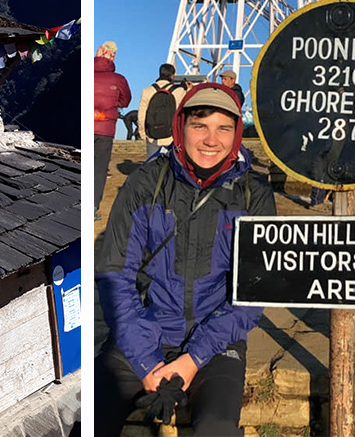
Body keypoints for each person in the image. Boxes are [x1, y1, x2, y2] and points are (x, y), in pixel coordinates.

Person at [95, 84, 276, 436]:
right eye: (200, 126)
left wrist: (192, 359)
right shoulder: (146, 183)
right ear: (181, 128)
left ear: (237, 133)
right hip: (144, 332)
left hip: (216, 344)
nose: (211, 139)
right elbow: (115, 275)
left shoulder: (253, 194)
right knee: (93, 416)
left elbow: (251, 295)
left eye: (224, 128)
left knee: (217, 430)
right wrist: (148, 362)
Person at [94, 41, 131, 219]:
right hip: (105, 129)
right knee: (99, 169)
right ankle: (93, 207)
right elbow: (126, 101)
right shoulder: (119, 79)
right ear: (113, 57)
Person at [138, 63, 187, 158]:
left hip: (152, 136)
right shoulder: (179, 91)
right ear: (172, 75)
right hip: (171, 136)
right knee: (171, 168)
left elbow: (141, 114)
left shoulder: (147, 90)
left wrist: (143, 133)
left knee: (151, 167)